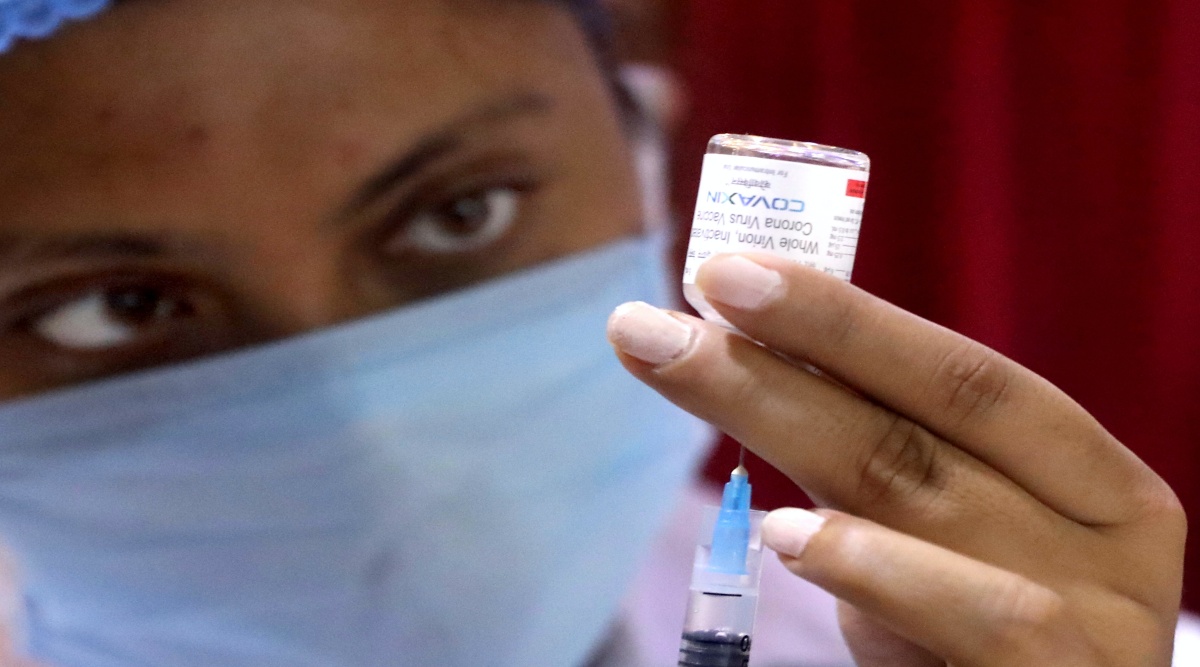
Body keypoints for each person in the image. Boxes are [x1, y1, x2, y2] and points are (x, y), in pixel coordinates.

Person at [0, 0, 1188, 665]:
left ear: (650, 154)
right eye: (118, 307)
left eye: (464, 214)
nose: (366, 429)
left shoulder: (1017, 643)